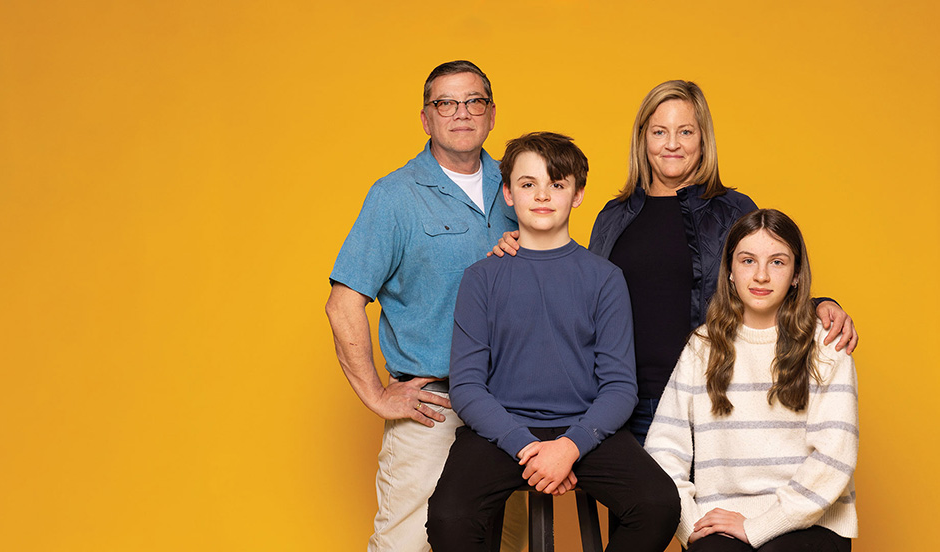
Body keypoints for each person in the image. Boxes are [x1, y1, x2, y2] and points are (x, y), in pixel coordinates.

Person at [494, 80, 858, 445]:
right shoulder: (613, 217)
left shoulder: (733, 210)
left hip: (710, 396)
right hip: (623, 403)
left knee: (712, 503)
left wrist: (819, 305)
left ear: (703, 139)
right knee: (641, 503)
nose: (672, 144)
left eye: (685, 131)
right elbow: (580, 298)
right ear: (643, 138)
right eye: (659, 131)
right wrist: (526, 246)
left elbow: (764, 280)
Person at [427, 132, 679, 552]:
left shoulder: (604, 278)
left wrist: (569, 446)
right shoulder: (481, 279)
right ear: (508, 193)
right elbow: (467, 387)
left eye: (557, 184)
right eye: (528, 184)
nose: (542, 195)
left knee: (657, 505)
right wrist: (525, 445)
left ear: (577, 194)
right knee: (448, 517)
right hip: (500, 430)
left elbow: (620, 387)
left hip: (585, 427)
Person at [325, 60, 524, 552]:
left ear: (492, 114)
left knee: (510, 542)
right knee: (407, 543)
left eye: (473, 101)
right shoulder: (395, 196)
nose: (461, 113)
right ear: (426, 117)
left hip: (512, 406)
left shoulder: (521, 185)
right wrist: (375, 394)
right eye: (445, 103)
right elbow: (342, 303)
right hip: (435, 405)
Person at [645, 208, 858, 551]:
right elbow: (664, 448)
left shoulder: (827, 344)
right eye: (747, 261)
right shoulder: (702, 347)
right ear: (729, 271)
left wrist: (759, 526)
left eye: (777, 262)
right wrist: (690, 523)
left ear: (796, 275)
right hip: (721, 519)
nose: (760, 275)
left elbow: (834, 458)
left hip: (812, 520)